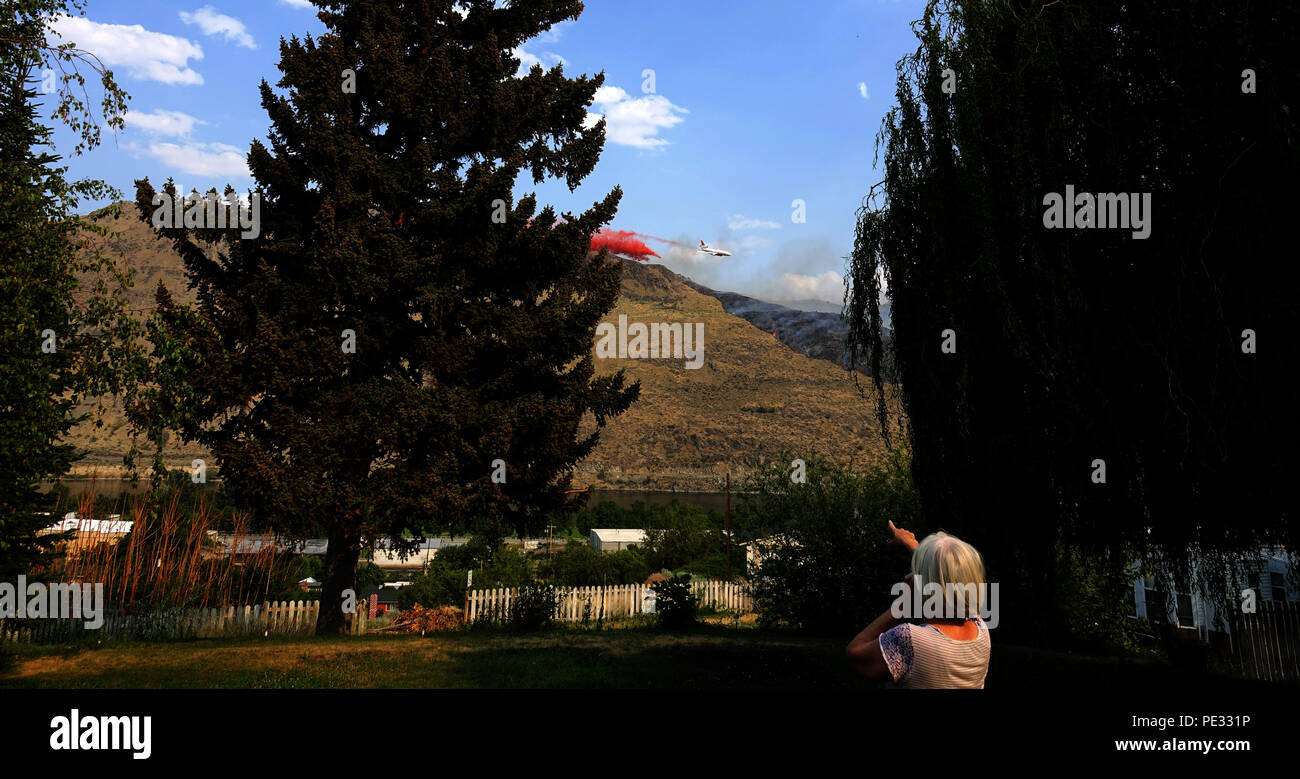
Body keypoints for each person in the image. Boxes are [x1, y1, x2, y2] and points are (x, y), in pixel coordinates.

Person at [845, 520, 991, 688]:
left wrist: (903, 604)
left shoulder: (908, 640)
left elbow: (855, 653)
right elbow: (949, 574)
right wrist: (912, 545)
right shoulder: (981, 627)